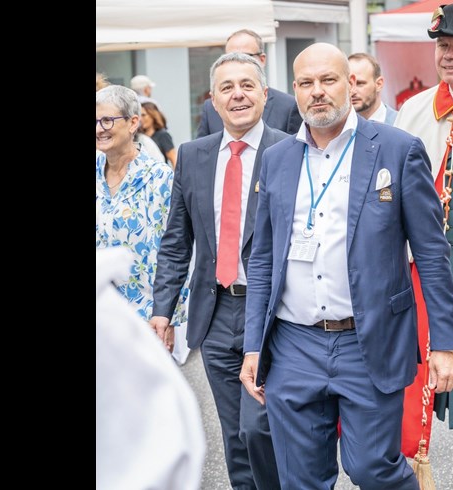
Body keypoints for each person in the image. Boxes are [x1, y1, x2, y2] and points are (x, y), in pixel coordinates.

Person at [240, 42, 453, 490]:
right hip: (293, 345)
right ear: (294, 91)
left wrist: (446, 343)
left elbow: (431, 252)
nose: (317, 92)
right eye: (306, 83)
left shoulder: (398, 150)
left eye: (328, 80)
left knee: (373, 470)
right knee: (300, 479)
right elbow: (263, 259)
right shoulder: (278, 159)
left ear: (351, 84)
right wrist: (253, 347)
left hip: (369, 342)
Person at [150, 52, 287, 490]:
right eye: (226, 87)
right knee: (233, 434)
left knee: (258, 428)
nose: (238, 94)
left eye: (247, 85)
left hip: (273, 315)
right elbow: (177, 240)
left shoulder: (290, 151)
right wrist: (162, 310)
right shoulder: (192, 156)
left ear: (265, 94)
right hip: (215, 313)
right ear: (212, 100)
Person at [394, 1, 453, 489]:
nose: (448, 56)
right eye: (442, 46)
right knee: (413, 402)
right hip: (425, 274)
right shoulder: (413, 110)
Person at [96, 247, 204, 490]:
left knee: (148, 405)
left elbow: (174, 252)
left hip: (148, 309)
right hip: (111, 297)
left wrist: (170, 315)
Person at [96, 84, 181, 323]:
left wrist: (168, 316)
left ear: (133, 123)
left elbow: (174, 250)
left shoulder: (159, 177)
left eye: (107, 121)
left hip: (143, 316)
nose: (99, 129)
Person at [196, 29, 303, 137]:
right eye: (230, 57)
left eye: (246, 57)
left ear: (262, 59)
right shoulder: (210, 107)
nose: (237, 62)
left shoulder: (288, 106)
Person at [348, 52, 398, 125]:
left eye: (360, 84)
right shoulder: (337, 128)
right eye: (349, 84)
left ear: (379, 84)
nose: (353, 91)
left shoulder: (400, 123)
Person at [140, 101, 178, 168]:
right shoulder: (139, 137)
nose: (140, 119)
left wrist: (176, 178)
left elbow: (174, 160)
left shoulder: (163, 135)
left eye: (143, 115)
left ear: (153, 115)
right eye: (139, 116)